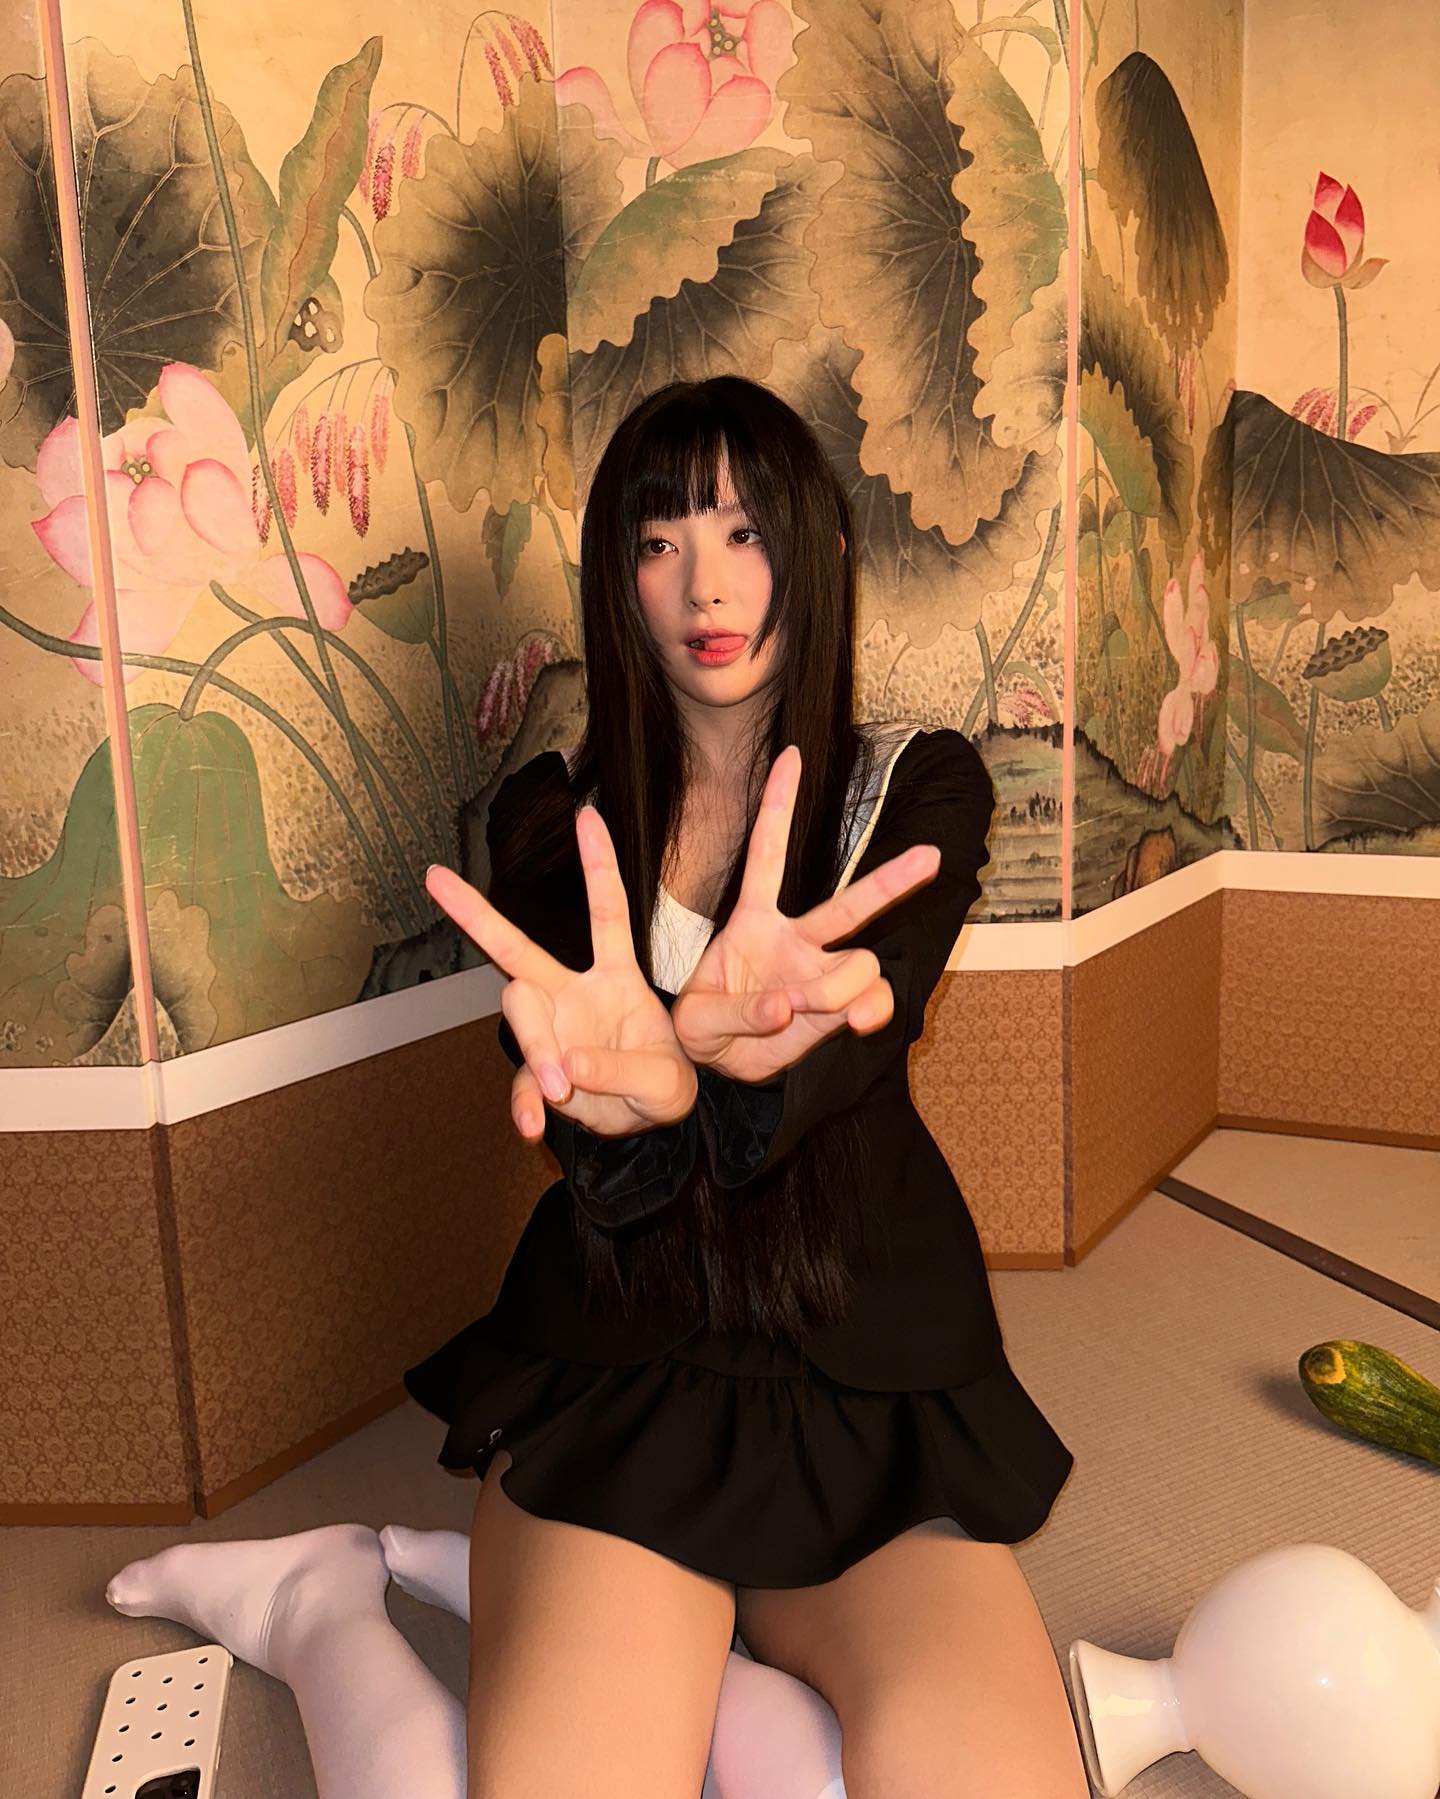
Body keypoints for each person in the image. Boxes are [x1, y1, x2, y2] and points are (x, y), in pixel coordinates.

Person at [105, 375, 1086, 1798]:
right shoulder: (550, 816)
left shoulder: (919, 788)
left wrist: (741, 1065)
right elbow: (586, 1108)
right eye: (658, 541)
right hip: (624, 1357)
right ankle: (320, 1608)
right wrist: (637, 1107)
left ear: (816, 552)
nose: (705, 585)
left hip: (864, 1366)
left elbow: (858, 1042)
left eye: (746, 535)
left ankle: (649, 1649)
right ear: (619, 579)